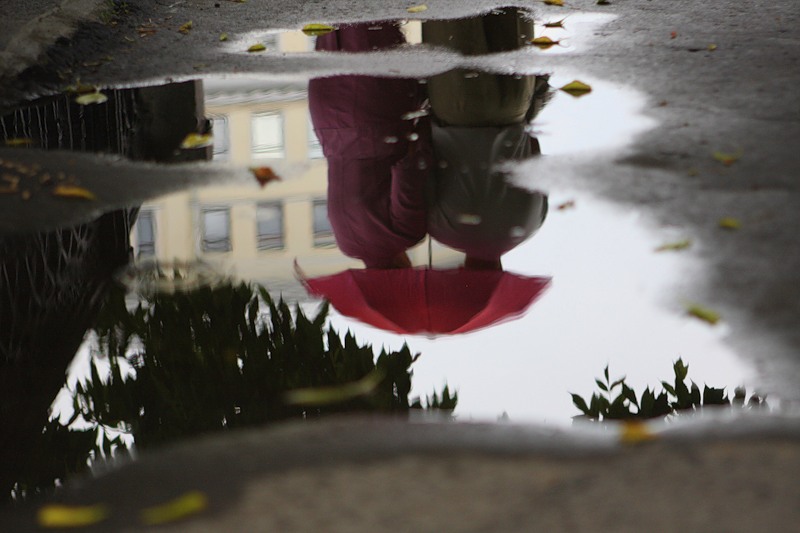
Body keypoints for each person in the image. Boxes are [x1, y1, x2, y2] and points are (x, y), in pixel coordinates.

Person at [308, 23, 432, 269]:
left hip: (374, 113)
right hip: (329, 121)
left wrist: (430, 122)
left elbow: (409, 169)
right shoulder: (346, 243)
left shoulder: (405, 234)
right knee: (333, 29)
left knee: (370, 24)